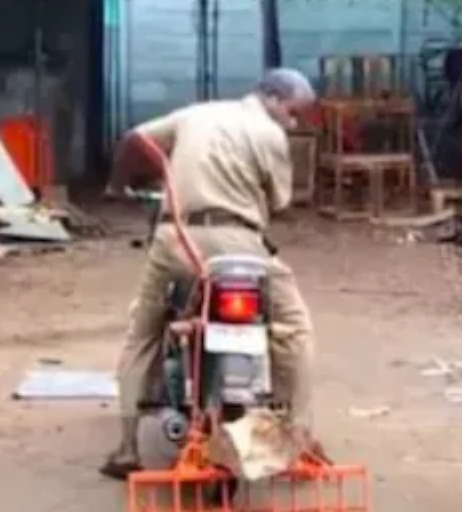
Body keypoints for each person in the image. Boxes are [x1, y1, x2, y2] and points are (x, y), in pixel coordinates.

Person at [100, 68, 318, 480]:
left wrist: (121, 183)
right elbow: (280, 203)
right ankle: (299, 437)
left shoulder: (195, 115)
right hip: (240, 246)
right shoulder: (270, 136)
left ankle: (128, 447)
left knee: (142, 330)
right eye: (292, 113)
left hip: (175, 242)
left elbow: (136, 140)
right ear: (271, 98)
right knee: (293, 328)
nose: (292, 123)